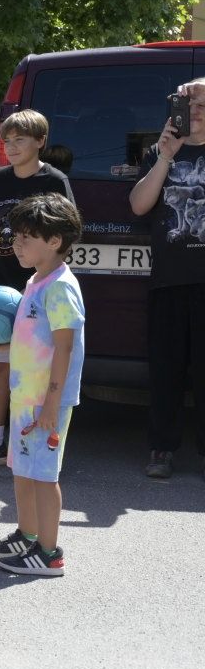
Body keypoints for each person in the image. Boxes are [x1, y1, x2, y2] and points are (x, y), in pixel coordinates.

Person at [0, 110, 73, 468]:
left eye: (21, 139)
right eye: (7, 140)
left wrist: (47, 269)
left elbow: (67, 229)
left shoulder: (54, 181)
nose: (12, 146)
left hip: (36, 291)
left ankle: (34, 435)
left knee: (33, 368)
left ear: (40, 142)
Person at [0, 193, 84, 576]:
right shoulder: (36, 280)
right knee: (22, 470)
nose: (17, 244)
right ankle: (27, 536)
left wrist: (52, 405)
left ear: (54, 241)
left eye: (26, 237)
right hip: (26, 397)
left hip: (46, 403)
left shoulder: (60, 286)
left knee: (44, 476)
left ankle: (50, 552)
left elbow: (64, 348)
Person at [128, 77, 205, 479]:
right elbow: (139, 205)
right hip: (170, 281)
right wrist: (165, 157)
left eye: (203, 105)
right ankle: (162, 448)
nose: (195, 112)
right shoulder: (162, 152)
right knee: (166, 370)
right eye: (189, 105)